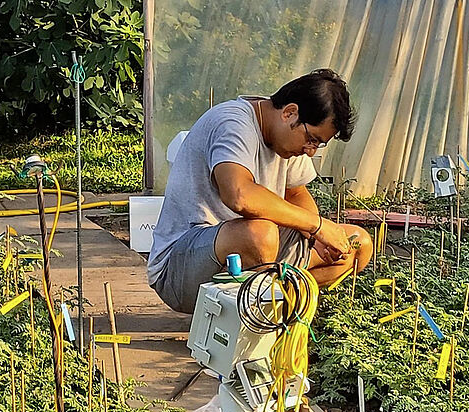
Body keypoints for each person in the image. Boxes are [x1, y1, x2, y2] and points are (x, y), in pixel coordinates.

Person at [148, 69, 373, 314]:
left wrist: (315, 239)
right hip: (182, 269)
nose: (310, 150)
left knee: (355, 246)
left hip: (258, 254)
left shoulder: (288, 140)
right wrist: (316, 225)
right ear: (290, 113)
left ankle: (273, 304)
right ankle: (252, 320)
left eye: (318, 144)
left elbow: (296, 194)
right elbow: (239, 195)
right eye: (311, 139)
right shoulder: (233, 123)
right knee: (259, 234)